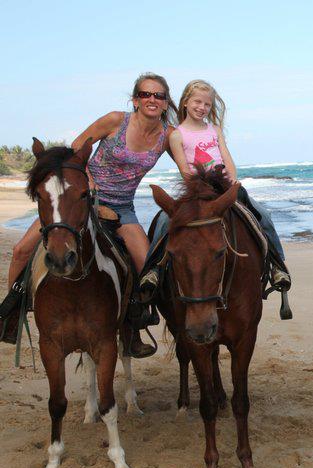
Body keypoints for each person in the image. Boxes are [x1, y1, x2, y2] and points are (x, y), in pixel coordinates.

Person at [1, 72, 182, 358]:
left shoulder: (168, 136)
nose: (152, 99)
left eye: (158, 95)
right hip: (80, 199)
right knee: (22, 250)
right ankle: (13, 313)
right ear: (135, 100)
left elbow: (188, 166)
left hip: (122, 207)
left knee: (147, 265)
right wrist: (90, 185)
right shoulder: (115, 121)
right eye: (145, 94)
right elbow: (76, 150)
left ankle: (132, 328)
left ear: (166, 102)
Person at [139, 79, 290, 296]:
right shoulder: (177, 135)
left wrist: (232, 181)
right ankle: (152, 268)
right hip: (198, 191)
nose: (202, 107)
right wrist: (200, 188)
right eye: (197, 102)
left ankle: (278, 265)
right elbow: (185, 170)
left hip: (224, 187)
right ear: (185, 102)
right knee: (164, 220)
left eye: (207, 104)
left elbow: (227, 158)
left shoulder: (214, 130)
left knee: (263, 215)